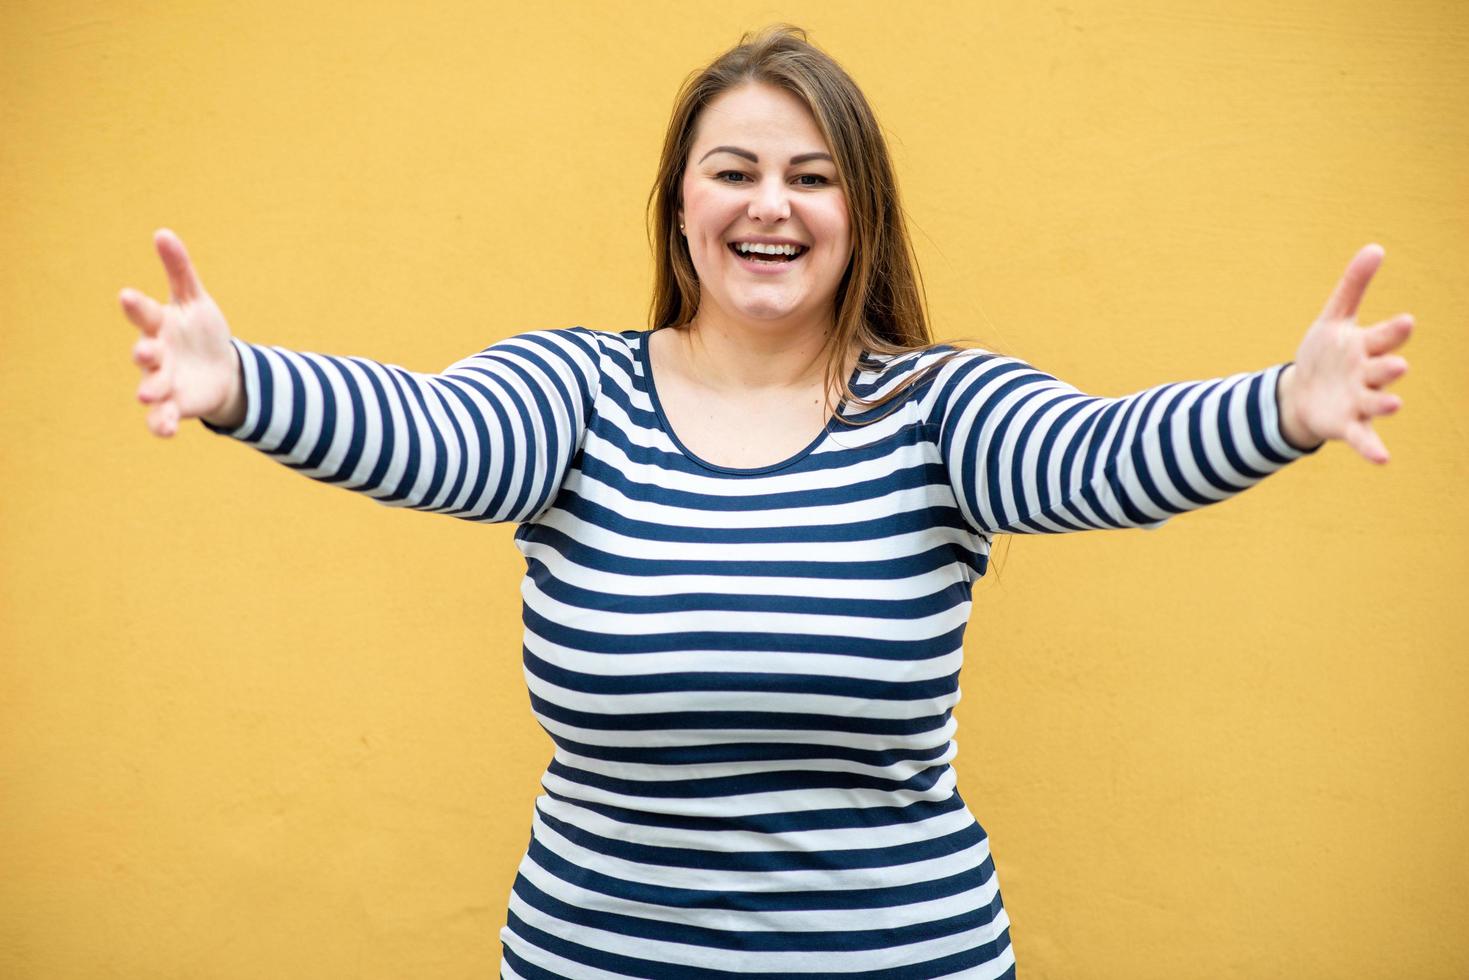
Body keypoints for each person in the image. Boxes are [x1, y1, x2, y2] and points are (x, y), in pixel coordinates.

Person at [117, 24, 1412, 980]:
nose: (768, 204)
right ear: (679, 207)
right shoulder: (573, 394)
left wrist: (1277, 411)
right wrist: (247, 387)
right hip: (595, 957)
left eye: (810, 175)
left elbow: (1091, 455)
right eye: (731, 170)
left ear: (859, 212)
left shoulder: (937, 414)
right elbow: (436, 433)